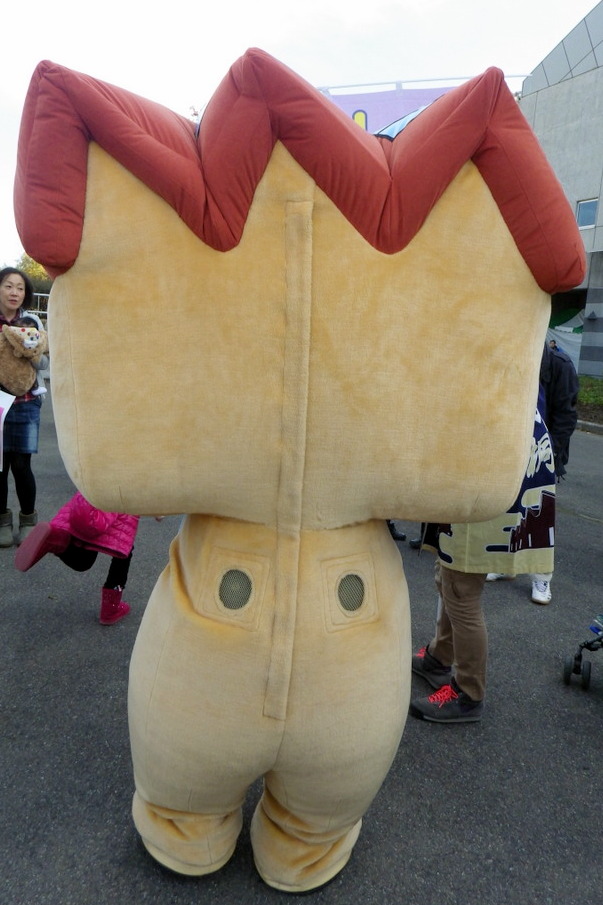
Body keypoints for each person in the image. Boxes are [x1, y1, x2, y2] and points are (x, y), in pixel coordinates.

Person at [410, 405, 556, 723]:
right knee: (449, 576)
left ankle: (468, 693)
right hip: (493, 462)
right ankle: (439, 658)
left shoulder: (489, 386)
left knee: (461, 588)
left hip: (488, 472)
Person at [487, 341, 579, 604]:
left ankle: (542, 577)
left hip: (543, 454)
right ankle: (506, 565)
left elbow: (565, 418)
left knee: (540, 517)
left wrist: (546, 456)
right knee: (508, 509)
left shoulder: (559, 365)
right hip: (513, 451)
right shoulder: (513, 354)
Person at [15, 490, 140, 624]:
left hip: (87, 503)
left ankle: (56, 540)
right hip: (120, 505)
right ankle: (111, 608)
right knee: (123, 551)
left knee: (83, 561)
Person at [0, 268, 49, 547]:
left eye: (19, 288)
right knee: (0, 467)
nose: (14, 292)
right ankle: (2, 524)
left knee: (21, 465)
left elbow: (44, 363)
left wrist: (30, 349)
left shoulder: (32, 321)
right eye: (9, 286)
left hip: (26, 403)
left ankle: (28, 520)